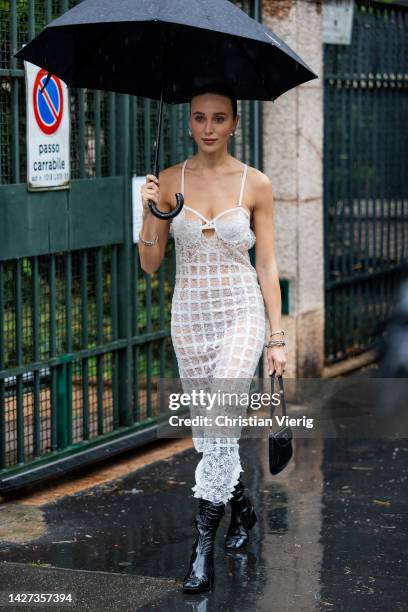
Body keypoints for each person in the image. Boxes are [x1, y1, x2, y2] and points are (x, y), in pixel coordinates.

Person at [138, 84, 286, 593]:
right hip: (190, 316)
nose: (208, 127)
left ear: (235, 123)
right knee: (211, 432)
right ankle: (241, 507)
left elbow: (265, 264)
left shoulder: (256, 183)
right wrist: (150, 210)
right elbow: (151, 264)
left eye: (218, 118)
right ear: (188, 122)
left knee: (221, 416)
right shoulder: (169, 180)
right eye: (199, 117)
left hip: (241, 310)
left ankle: (202, 546)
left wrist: (276, 337)